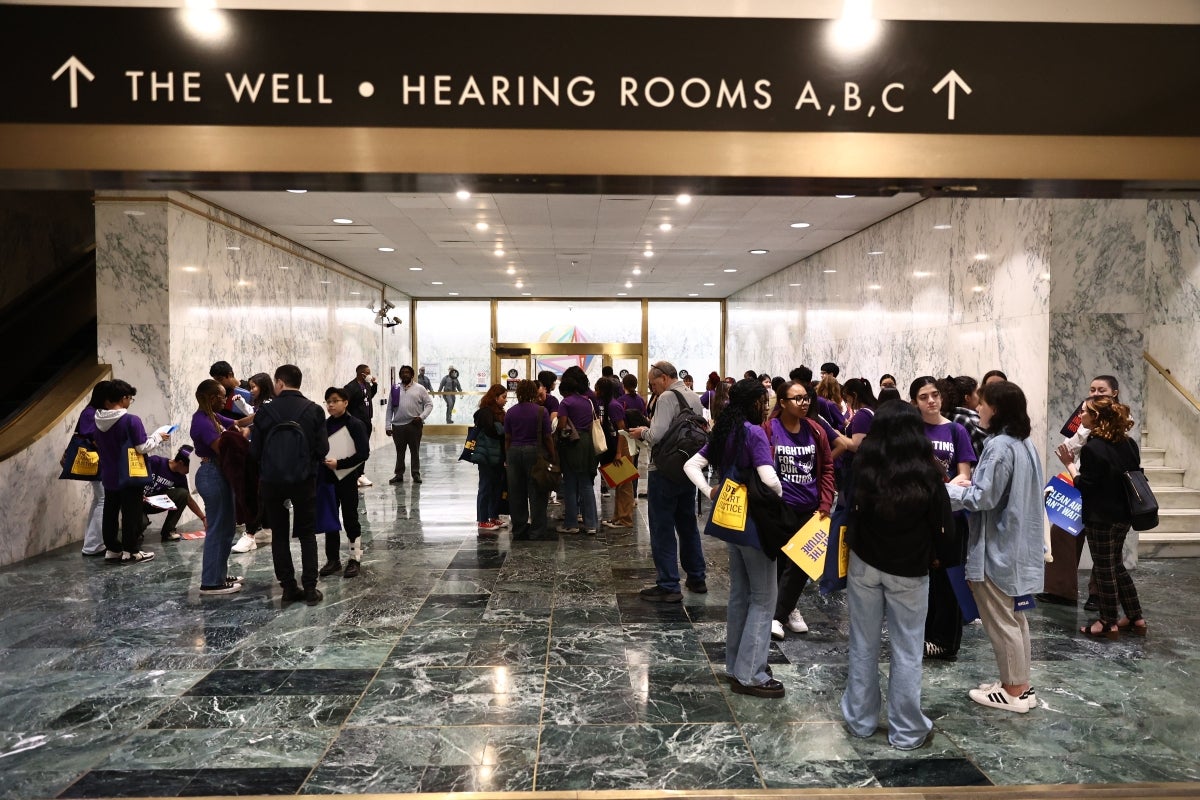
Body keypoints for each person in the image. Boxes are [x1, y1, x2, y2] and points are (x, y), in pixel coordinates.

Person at [842, 402, 956, 749]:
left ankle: (860, 721)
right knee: (907, 650)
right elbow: (944, 528)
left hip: (865, 564)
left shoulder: (864, 464)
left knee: (863, 643)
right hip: (910, 570)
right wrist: (939, 560)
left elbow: (850, 509)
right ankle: (906, 731)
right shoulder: (928, 470)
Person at [947, 380, 1045, 713]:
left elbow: (982, 498)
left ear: (997, 409)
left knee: (1002, 621)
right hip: (1018, 548)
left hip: (997, 550)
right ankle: (1019, 684)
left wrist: (949, 489)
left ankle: (1014, 690)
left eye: (983, 404)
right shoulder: (1024, 443)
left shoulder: (999, 446)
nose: (978, 408)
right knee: (1016, 620)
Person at [683, 379, 785, 698]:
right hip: (755, 521)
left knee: (740, 593)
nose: (767, 406)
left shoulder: (725, 430)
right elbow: (769, 479)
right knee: (765, 597)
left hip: (729, 517)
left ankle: (736, 663)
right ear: (754, 403)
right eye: (764, 401)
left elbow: (692, 464)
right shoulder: (754, 433)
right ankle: (751, 672)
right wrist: (781, 498)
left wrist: (710, 490)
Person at [1055, 396, 1147, 638]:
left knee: (1105, 569)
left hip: (1101, 517)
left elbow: (1085, 486)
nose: (1080, 416)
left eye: (1084, 412)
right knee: (1116, 565)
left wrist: (1069, 464)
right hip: (1124, 515)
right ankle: (1136, 617)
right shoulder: (1128, 444)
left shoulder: (1093, 448)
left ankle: (1107, 622)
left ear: (1095, 418)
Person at [910, 375, 977, 662]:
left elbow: (965, 474)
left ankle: (945, 640)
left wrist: (948, 486)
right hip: (918, 515)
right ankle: (923, 635)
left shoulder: (956, 430)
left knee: (948, 578)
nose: (931, 401)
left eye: (935, 394)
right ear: (915, 402)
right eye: (924, 396)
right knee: (921, 578)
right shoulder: (911, 431)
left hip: (951, 513)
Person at [628, 361, 707, 602]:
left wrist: (642, 431)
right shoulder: (694, 396)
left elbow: (657, 434)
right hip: (688, 467)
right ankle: (696, 577)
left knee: (662, 526)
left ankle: (669, 583)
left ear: (663, 378)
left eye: (653, 384)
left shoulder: (666, 398)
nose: (653, 390)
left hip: (664, 469)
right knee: (687, 523)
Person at [252, 364, 329, 605]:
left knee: (279, 534)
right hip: (304, 481)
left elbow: (255, 451)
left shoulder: (265, 412)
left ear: (279, 383)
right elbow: (323, 449)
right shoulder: (314, 410)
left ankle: (287, 587)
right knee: (307, 534)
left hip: (272, 482)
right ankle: (310, 588)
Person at [1042, 375, 1121, 609]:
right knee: (1062, 532)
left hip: (1104, 492)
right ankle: (1060, 590)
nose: (1096, 393)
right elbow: (1070, 445)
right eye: (1092, 389)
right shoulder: (1085, 417)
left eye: (1101, 390)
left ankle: (1098, 594)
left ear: (1114, 393)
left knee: (1102, 545)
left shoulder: (1121, 420)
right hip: (1080, 485)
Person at [767, 381, 835, 640]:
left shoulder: (815, 431)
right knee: (781, 562)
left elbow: (827, 467)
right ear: (782, 402)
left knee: (802, 563)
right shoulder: (770, 429)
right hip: (781, 508)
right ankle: (787, 608)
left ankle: (778, 615)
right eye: (797, 399)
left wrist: (825, 503)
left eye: (806, 398)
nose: (804, 403)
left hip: (810, 508)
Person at [93, 379, 165, 564]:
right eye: (130, 398)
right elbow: (142, 447)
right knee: (131, 513)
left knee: (110, 512)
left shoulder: (98, 420)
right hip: (130, 474)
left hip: (109, 473)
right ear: (124, 398)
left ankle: (112, 549)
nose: (129, 402)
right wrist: (157, 437)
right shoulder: (131, 420)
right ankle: (131, 551)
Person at [192, 379, 247, 594]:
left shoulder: (211, 417)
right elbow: (222, 448)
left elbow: (238, 423)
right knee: (217, 528)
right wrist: (243, 436)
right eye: (223, 396)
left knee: (227, 528)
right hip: (211, 473)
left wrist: (261, 415)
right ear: (213, 398)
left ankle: (219, 573)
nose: (226, 399)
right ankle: (211, 582)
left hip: (219, 473)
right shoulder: (201, 422)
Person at [318, 386, 370, 578]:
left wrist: (340, 464)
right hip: (327, 479)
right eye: (328, 402)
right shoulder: (323, 425)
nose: (330, 405)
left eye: (334, 401)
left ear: (345, 402)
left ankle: (355, 558)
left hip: (347, 478)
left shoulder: (355, 424)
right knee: (330, 519)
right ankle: (333, 560)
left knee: (350, 518)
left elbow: (363, 453)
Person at [504, 379, 557, 541]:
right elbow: (548, 437)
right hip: (535, 453)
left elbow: (507, 437)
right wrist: (553, 455)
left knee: (516, 492)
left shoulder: (511, 412)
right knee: (537, 491)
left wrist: (507, 456)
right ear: (534, 393)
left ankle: (519, 529)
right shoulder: (541, 411)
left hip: (514, 452)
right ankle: (537, 531)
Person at [231, 372, 276, 554]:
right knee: (260, 493)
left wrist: (236, 423)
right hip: (261, 455)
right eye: (250, 387)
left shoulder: (269, 404)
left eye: (254, 387)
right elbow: (254, 415)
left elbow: (255, 418)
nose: (252, 390)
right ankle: (267, 529)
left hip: (265, 456)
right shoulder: (262, 404)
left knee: (256, 494)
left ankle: (250, 534)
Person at [557, 368, 600, 535]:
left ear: (565, 391)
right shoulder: (587, 401)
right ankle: (591, 524)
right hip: (587, 443)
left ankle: (571, 523)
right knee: (586, 483)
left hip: (571, 444)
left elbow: (561, 425)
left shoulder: (565, 403)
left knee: (570, 484)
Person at [78, 379, 112, 557]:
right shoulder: (91, 413)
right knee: (102, 500)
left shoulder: (92, 411)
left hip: (97, 461)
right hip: (96, 461)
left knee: (99, 500)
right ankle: (94, 545)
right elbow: (94, 438)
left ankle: (92, 543)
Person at [141, 446, 202, 543]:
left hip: (152, 502)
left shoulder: (180, 477)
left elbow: (188, 499)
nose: (189, 472)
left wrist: (203, 518)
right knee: (141, 523)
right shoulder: (155, 462)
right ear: (181, 463)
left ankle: (168, 531)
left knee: (183, 494)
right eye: (189, 468)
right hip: (135, 501)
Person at [385, 365, 432, 484]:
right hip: (398, 426)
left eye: (407, 372)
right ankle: (399, 474)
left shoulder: (420, 388)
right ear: (400, 375)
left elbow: (429, 404)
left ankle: (416, 474)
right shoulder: (395, 388)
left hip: (414, 425)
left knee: (414, 451)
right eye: (402, 372)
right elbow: (389, 408)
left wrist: (421, 417)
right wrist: (387, 425)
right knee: (400, 451)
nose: (405, 374)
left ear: (412, 375)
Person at [598, 376, 634, 530]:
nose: (595, 391)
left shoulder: (613, 406)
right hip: (617, 447)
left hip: (622, 447)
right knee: (619, 484)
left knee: (625, 486)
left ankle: (625, 519)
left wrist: (619, 452)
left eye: (597, 388)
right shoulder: (607, 405)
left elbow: (622, 430)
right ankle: (618, 517)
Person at [473, 384, 508, 537]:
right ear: (495, 397)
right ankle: (482, 519)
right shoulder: (485, 412)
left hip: (498, 455)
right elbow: (491, 430)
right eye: (503, 397)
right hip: (486, 455)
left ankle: (493, 516)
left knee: (497, 487)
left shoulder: (500, 412)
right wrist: (503, 428)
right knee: (485, 486)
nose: (506, 400)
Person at [344, 364, 378, 488]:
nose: (369, 374)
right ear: (361, 373)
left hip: (367, 421)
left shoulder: (367, 385)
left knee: (363, 449)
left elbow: (369, 397)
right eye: (367, 372)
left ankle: (361, 474)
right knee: (355, 449)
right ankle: (353, 475)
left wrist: (375, 385)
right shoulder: (351, 387)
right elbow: (344, 403)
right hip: (356, 422)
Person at [951, 375, 987, 457]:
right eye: (977, 393)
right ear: (967, 398)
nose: (981, 397)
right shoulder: (973, 420)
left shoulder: (946, 415)